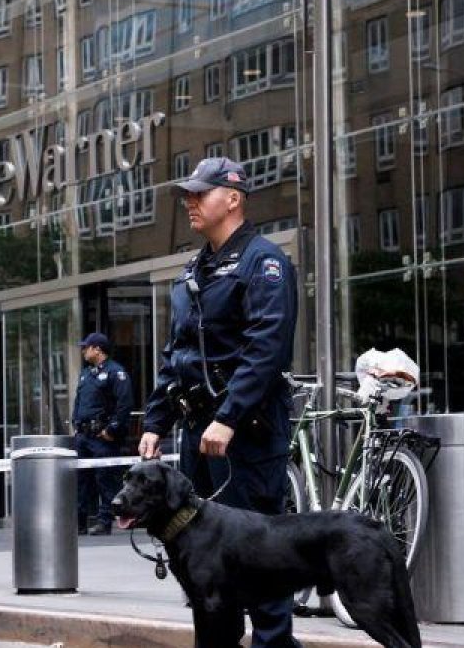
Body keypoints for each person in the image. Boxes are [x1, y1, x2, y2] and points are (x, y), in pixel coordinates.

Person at [138, 157, 299, 648]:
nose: (189, 202)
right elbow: (177, 354)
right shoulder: (194, 271)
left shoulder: (264, 263)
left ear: (232, 198)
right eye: (187, 194)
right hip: (196, 431)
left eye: (198, 194)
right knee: (204, 564)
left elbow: (265, 350)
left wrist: (228, 417)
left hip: (243, 433)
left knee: (259, 555)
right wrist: (155, 420)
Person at [72, 332, 133, 536]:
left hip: (102, 437)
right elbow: (78, 402)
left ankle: (104, 521)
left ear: (97, 349)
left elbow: (124, 404)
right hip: (83, 436)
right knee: (81, 481)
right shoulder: (86, 374)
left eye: (86, 347)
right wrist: (75, 424)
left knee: (105, 480)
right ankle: (79, 522)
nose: (83, 351)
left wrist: (112, 430)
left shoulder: (116, 373)